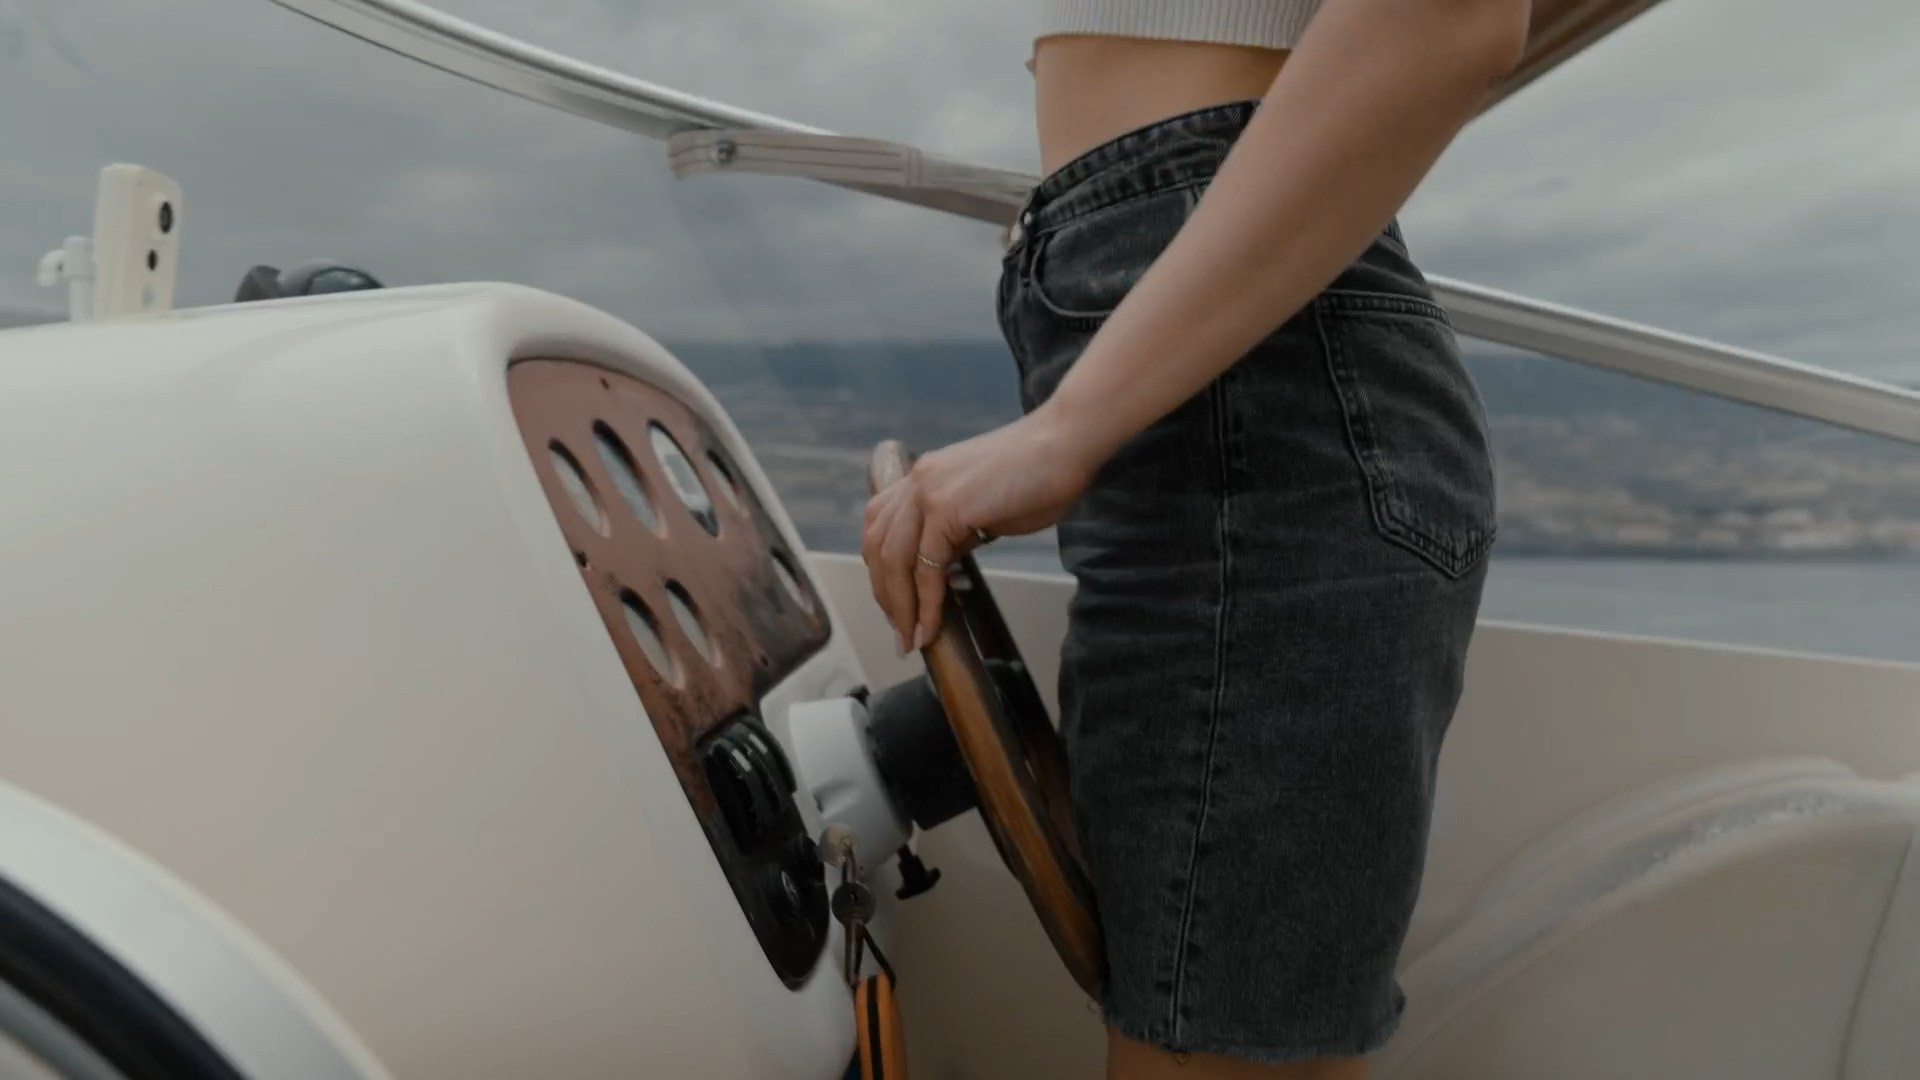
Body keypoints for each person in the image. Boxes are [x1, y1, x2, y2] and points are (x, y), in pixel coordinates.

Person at [861, 1, 1522, 1075]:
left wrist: (1071, 424)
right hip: (1222, 363)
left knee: (1207, 1050)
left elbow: (1450, 16)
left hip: (1257, 400)